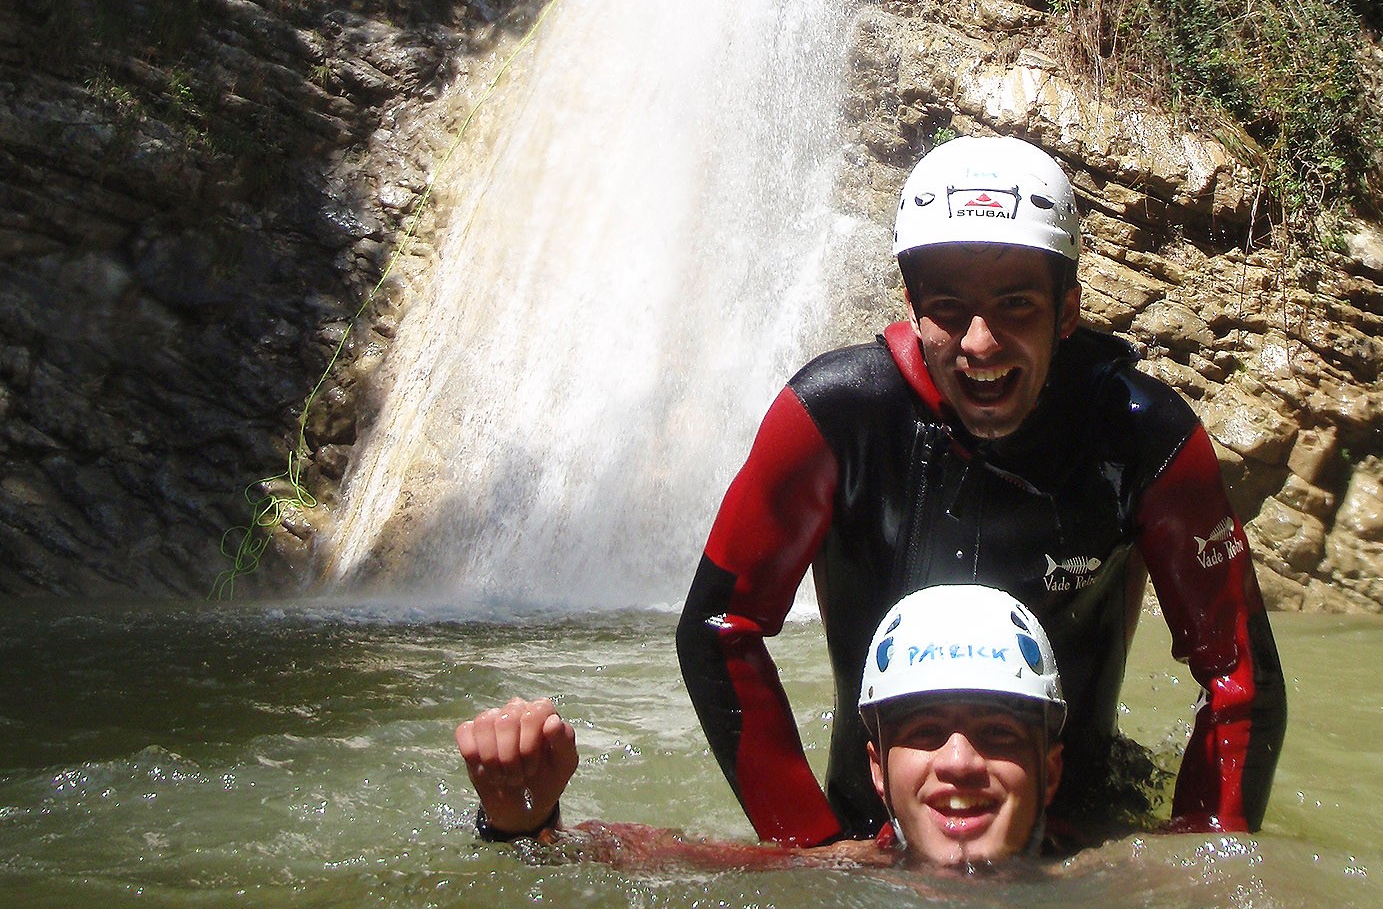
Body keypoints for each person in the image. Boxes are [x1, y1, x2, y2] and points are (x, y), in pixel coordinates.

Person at [675, 135, 1287, 847]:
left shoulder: (1143, 434)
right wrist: (809, 846)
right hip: (872, 836)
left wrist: (1193, 862)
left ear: (1068, 312)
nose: (980, 343)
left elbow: (1243, 677)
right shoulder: (833, 415)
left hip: (1083, 844)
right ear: (911, 306)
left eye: (1017, 304)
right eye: (948, 308)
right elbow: (718, 628)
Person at [456, 586, 1068, 869]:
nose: (959, 761)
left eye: (1001, 733)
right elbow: (604, 856)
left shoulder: (1131, 881)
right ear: (878, 769)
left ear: (1051, 770)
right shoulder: (822, 877)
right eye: (927, 730)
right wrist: (524, 815)